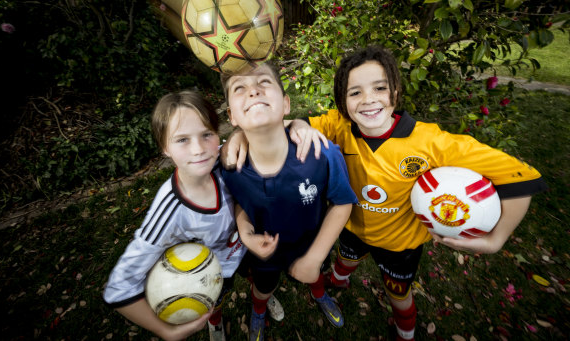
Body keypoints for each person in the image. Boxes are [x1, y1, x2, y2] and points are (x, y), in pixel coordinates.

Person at [223, 46, 547, 341]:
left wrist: (496, 239)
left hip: (400, 245)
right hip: (352, 230)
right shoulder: (337, 126)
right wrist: (245, 136)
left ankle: (405, 333)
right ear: (342, 100)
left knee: (399, 295)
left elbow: (521, 179)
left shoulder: (432, 143)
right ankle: (336, 284)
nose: (368, 99)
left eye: (379, 87)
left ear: (395, 90)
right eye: (355, 92)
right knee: (344, 262)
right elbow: (277, 123)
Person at [220, 62, 358, 341]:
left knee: (314, 274)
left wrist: (316, 256)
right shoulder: (229, 164)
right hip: (264, 253)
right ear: (231, 116)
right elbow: (238, 201)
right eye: (239, 88)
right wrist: (244, 231)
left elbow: (342, 202)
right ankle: (259, 310)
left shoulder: (322, 153)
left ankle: (320, 294)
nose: (253, 91)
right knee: (263, 287)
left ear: (285, 104)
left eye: (264, 83)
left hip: (310, 243)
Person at [103, 91, 249, 341]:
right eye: (182, 140)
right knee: (215, 301)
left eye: (207, 134)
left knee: (260, 279)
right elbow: (119, 288)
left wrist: (241, 135)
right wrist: (164, 331)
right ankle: (215, 322)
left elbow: (260, 134)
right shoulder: (169, 213)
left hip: (245, 249)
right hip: (211, 273)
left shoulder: (222, 159)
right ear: (164, 148)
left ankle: (261, 302)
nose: (199, 149)